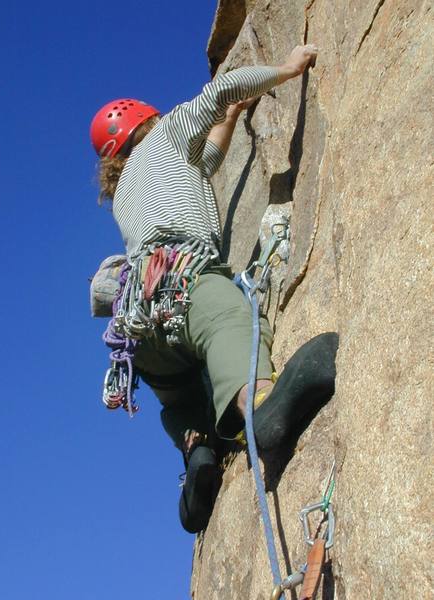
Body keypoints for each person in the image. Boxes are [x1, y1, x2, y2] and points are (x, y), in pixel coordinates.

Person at [90, 45, 338, 532]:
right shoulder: (168, 132)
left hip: (140, 325)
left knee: (179, 397)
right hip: (186, 285)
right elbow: (221, 89)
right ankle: (261, 407)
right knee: (229, 321)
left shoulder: (124, 193)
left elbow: (204, 161)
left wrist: (229, 120)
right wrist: (284, 69)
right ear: (147, 119)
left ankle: (197, 446)